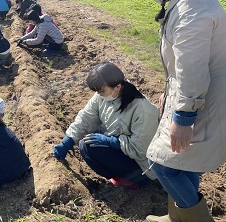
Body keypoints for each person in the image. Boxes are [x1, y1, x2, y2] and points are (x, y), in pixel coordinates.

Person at [125, 0, 226, 221]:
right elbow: (181, 66)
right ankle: (177, 216)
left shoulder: (191, 8)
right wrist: (169, 96)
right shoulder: (191, 0)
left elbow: (192, 71)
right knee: (186, 161)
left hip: (206, 98)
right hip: (199, 94)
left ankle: (197, 219)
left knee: (162, 164)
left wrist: (182, 117)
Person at [53, 62, 160, 190]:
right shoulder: (103, 96)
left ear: (118, 87)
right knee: (87, 142)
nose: (98, 94)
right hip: (124, 152)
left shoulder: (143, 110)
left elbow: (141, 149)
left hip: (143, 166)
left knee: (90, 146)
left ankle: (136, 181)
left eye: (101, 90)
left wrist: (112, 141)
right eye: (97, 91)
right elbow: (86, 118)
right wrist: (68, 141)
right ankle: (120, 177)